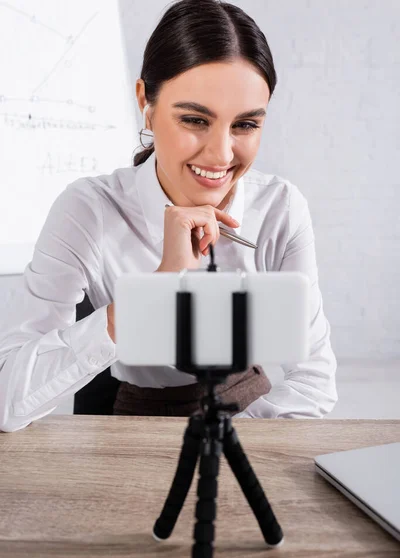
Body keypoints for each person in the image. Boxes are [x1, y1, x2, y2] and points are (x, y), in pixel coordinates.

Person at [0, 0, 338, 433]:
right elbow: (7, 397)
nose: (221, 155)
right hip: (138, 414)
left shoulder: (280, 207)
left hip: (252, 409)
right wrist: (151, 297)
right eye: (195, 120)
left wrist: (225, 442)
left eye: (246, 125)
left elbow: (313, 380)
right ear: (146, 102)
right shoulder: (89, 209)